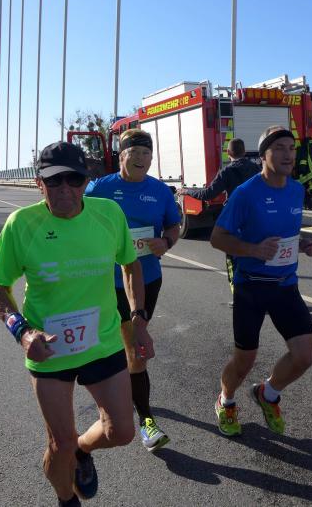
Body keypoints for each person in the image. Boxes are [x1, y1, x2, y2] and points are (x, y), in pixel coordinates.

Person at [0, 141, 154, 507]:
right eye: (54, 180)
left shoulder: (108, 214)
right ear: (39, 184)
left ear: (86, 182)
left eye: (74, 180)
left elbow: (130, 265)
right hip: (50, 351)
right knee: (58, 444)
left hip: (103, 342)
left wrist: (138, 320)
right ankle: (66, 498)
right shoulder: (21, 225)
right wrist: (22, 332)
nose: (65, 189)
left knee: (122, 432)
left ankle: (82, 450)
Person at [209, 125, 312, 436]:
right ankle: (226, 400)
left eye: (291, 148)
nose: (288, 154)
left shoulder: (296, 190)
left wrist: (300, 244)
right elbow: (217, 238)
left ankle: (267, 394)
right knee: (244, 361)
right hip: (251, 286)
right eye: (279, 148)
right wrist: (254, 250)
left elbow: (284, 234)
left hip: (285, 285)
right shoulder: (246, 194)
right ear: (263, 156)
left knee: (305, 355)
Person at [85, 128, 180, 452]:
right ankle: (147, 421)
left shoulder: (160, 191)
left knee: (132, 343)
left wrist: (166, 241)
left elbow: (174, 225)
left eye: (146, 153)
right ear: (121, 156)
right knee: (134, 345)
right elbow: (78, 220)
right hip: (108, 281)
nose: (140, 158)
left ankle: (128, 389)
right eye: (134, 152)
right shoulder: (101, 188)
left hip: (148, 278)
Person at [178, 138, 260, 300]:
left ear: (228, 153)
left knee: (233, 259)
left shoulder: (227, 171)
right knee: (254, 258)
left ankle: (239, 298)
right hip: (255, 220)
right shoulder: (256, 169)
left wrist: (186, 191)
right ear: (244, 152)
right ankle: (259, 295)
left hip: (234, 222)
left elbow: (208, 194)